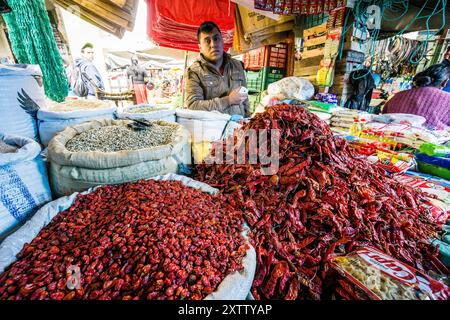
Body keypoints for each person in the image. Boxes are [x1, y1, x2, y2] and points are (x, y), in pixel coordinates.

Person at [184, 21, 249, 117]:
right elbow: (193, 105)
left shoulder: (237, 65)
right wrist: (228, 100)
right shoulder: (194, 71)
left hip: (238, 126)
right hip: (212, 129)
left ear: (222, 41)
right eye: (207, 41)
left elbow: (245, 98)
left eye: (216, 38)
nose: (213, 44)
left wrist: (247, 120)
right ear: (200, 47)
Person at [382, 63, 450, 129]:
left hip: (390, 137)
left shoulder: (398, 95)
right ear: (445, 82)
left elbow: (384, 116)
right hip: (429, 139)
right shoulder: (447, 99)